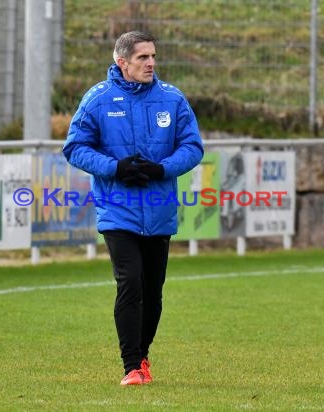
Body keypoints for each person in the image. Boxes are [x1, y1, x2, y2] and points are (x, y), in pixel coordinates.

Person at [63, 31, 204, 386]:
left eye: (153, 56)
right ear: (122, 62)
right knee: (130, 283)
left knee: (153, 293)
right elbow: (75, 147)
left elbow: (192, 146)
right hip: (117, 210)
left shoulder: (172, 98)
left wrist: (162, 169)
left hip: (159, 210)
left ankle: (142, 356)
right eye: (142, 57)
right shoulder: (97, 99)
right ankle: (131, 367)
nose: (151, 63)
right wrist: (115, 168)